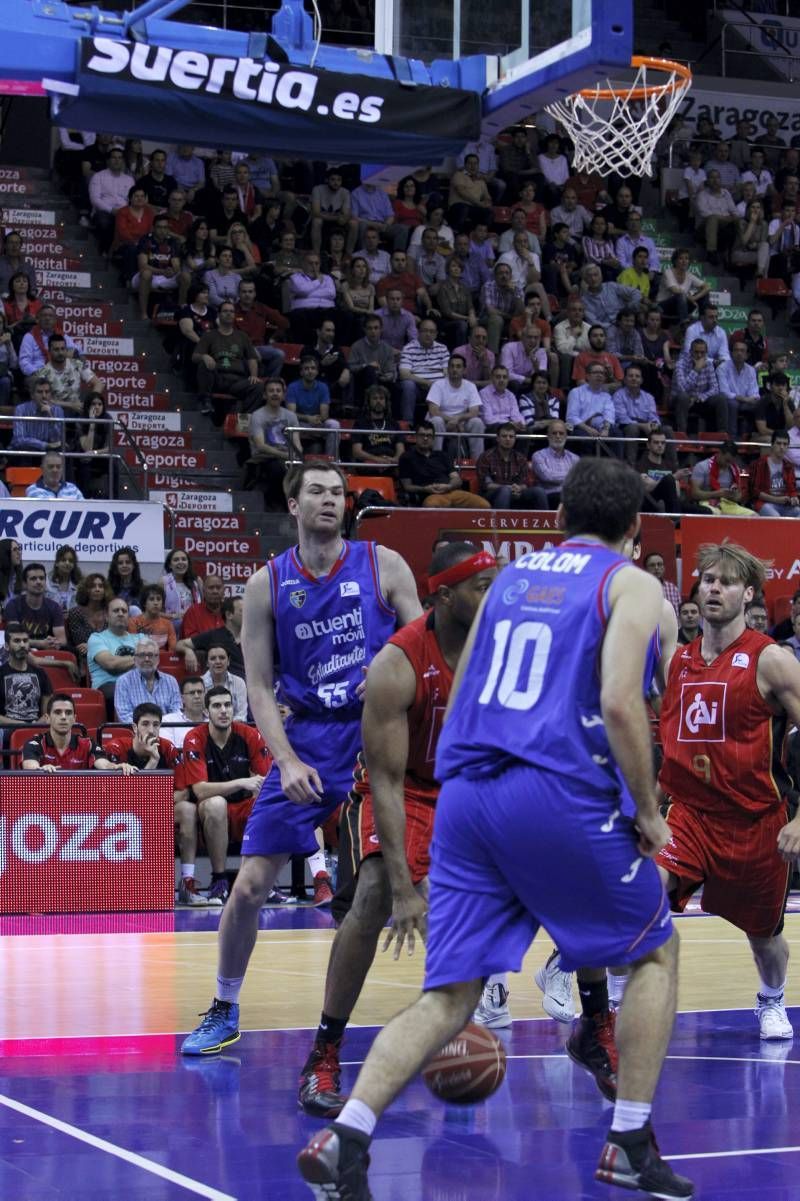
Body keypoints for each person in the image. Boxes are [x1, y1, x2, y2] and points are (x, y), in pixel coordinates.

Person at [297, 457, 690, 1201]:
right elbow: (616, 701)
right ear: (635, 527)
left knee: (449, 995)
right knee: (657, 955)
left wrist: (472, 795)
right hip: (556, 788)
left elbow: (467, 677)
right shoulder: (631, 582)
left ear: (558, 518)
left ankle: (347, 1134)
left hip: (467, 793)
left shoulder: (509, 578)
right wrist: (644, 809)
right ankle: (630, 1139)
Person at [180, 461, 421, 1054]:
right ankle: (224, 1003)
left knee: (423, 877)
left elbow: (427, 646)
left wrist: (392, 668)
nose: (330, 500)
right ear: (293, 505)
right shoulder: (267, 584)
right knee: (250, 886)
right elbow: (258, 687)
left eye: (338, 492)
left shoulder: (383, 565)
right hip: (308, 739)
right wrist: (284, 760)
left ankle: (479, 990)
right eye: (316, 491)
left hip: (378, 735)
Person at [298, 542, 499, 1115]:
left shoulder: (503, 649)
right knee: (375, 895)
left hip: (464, 789)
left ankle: (588, 1017)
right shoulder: (400, 661)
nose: (494, 597)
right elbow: (384, 781)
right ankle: (325, 1050)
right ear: (443, 595)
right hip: (401, 786)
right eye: (481, 586)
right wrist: (407, 887)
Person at [658, 541, 800, 1042]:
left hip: (757, 820)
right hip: (691, 813)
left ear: (749, 594)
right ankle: (607, 1002)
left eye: (727, 582)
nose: (715, 588)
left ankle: (772, 998)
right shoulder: (677, 660)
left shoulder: (773, 661)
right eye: (708, 580)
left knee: (765, 938)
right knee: (641, 894)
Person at [176, 685, 271, 905]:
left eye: (227, 705)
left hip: (244, 806)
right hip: (209, 812)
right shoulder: (194, 738)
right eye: (217, 706)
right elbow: (199, 790)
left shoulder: (249, 734)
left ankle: (264, 881)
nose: (223, 710)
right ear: (207, 711)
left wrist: (251, 785)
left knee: (266, 802)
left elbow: (261, 781)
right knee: (216, 803)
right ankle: (219, 879)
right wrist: (241, 782)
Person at [192, 299, 263, 420]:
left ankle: (245, 418)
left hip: (237, 381)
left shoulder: (242, 336)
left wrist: (254, 375)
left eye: (231, 311)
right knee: (204, 365)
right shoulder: (209, 335)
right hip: (217, 378)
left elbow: (252, 358)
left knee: (258, 386)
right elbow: (194, 357)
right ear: (219, 315)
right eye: (225, 311)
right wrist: (204, 356)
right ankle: (205, 402)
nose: (229, 314)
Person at [399, 420, 490, 509]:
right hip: (431, 495)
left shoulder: (442, 455)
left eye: (429, 436)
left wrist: (449, 486)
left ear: (433, 438)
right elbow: (407, 486)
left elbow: (457, 479)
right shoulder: (407, 457)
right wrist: (425, 489)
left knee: (484, 505)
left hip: (452, 492)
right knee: (432, 505)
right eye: (422, 435)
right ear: (415, 437)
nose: (425, 438)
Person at [21, 694, 114, 772]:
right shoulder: (35, 743)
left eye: (68, 713)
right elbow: (30, 766)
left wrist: (113, 767)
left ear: (74, 719)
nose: (63, 717)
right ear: (47, 718)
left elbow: (103, 764)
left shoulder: (87, 744)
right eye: (58, 712)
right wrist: (40, 770)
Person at [87, 597, 147, 717]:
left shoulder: (141, 638)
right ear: (107, 616)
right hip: (108, 686)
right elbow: (111, 664)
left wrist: (142, 660)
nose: (120, 614)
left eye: (124, 611)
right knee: (122, 692)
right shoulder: (96, 638)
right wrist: (139, 658)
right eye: (116, 611)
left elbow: (151, 662)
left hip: (138, 684)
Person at [0, 624, 50, 752]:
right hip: (7, 728)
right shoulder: (1, 673)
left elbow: (47, 713)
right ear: (6, 646)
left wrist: (41, 721)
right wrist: (24, 725)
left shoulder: (40, 673)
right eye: (17, 641)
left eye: (25, 641)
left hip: (37, 727)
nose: (22, 645)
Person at [425, 353, 484, 462]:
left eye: (458, 366)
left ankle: (477, 463)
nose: (454, 369)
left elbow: (474, 412)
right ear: (448, 369)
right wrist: (453, 421)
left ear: (464, 370)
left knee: (477, 422)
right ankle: (435, 460)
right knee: (436, 421)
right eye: (451, 366)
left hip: (461, 423)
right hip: (443, 422)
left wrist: (459, 419)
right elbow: (433, 411)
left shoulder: (470, 386)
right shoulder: (438, 384)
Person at [476, 424, 548, 509]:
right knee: (505, 491)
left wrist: (519, 488)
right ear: (497, 439)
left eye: (511, 436)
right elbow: (486, 485)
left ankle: (545, 522)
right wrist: (508, 488)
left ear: (515, 439)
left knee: (539, 491)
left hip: (516, 493)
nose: (508, 439)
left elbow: (525, 483)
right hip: (491, 494)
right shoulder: (486, 457)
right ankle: (501, 522)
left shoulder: (520, 458)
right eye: (504, 436)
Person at [113, 637, 182, 724]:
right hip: (136, 734)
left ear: (158, 659)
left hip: (167, 732)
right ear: (134, 660)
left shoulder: (171, 681)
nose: (146, 659)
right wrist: (147, 728)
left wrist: (159, 728)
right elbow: (124, 716)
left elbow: (176, 713)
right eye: (142, 655)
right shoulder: (123, 681)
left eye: (150, 655)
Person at [177, 596, 245, 679]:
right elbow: (180, 644)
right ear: (229, 615)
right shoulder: (214, 635)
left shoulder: (252, 637)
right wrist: (188, 651)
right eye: (243, 611)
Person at [4, 563, 66, 649]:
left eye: (41, 578)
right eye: (33, 579)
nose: (38, 582)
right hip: (22, 651)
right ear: (25, 583)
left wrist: (54, 642)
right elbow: (14, 637)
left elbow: (62, 640)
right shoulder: (13, 605)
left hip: (48, 651)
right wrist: (40, 643)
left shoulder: (54, 607)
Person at [690, 438, 754, 516]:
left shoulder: (734, 468)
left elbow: (738, 496)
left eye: (731, 462)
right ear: (719, 453)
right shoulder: (702, 466)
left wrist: (734, 496)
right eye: (727, 460)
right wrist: (717, 494)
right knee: (716, 513)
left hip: (728, 504)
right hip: (707, 503)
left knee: (753, 516)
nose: (728, 464)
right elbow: (694, 494)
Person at [350, 385, 405, 468]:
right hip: (369, 464)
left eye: (381, 398)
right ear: (369, 402)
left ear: (386, 402)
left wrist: (395, 459)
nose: (378, 401)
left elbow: (401, 450)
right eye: (375, 398)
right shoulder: (360, 424)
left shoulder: (394, 424)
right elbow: (357, 452)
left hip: (391, 464)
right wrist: (378, 460)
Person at [749, 429, 800, 516]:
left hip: (784, 505)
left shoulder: (788, 466)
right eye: (778, 443)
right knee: (775, 517)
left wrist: (794, 498)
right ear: (772, 445)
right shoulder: (760, 464)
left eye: (785, 444)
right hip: (765, 504)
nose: (782, 447)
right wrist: (776, 500)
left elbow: (792, 490)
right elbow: (755, 492)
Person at [530, 419, 580, 507]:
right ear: (548, 436)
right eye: (554, 433)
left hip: (570, 496)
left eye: (561, 433)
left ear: (566, 436)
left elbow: (579, 479)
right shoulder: (538, 455)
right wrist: (572, 476)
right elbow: (547, 477)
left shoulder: (574, 458)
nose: (558, 436)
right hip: (549, 496)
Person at [10, 378, 65, 456]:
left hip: (48, 453)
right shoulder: (21, 409)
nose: (44, 396)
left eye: (47, 392)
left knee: (63, 450)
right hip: (27, 452)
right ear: (32, 395)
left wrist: (51, 418)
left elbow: (57, 441)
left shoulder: (58, 410)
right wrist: (45, 445)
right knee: (23, 449)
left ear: (51, 394)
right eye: (40, 392)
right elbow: (19, 439)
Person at [66, 572, 111, 663]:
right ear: (85, 590)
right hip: (84, 659)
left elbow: (116, 639)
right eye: (93, 586)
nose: (97, 589)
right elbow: (80, 644)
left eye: (101, 586)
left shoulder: (111, 611)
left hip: (110, 656)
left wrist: (91, 646)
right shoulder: (76, 613)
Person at [202, 643, 248, 721]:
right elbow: (201, 716)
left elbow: (241, 716)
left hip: (234, 729)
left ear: (228, 661)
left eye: (222, 658)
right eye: (213, 658)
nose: (218, 661)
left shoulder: (239, 682)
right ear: (207, 663)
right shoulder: (200, 683)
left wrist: (225, 727)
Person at [161, 549, 203, 631]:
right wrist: (174, 616)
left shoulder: (197, 581)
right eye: (176, 560)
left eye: (184, 559)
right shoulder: (164, 582)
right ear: (170, 565)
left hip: (195, 622)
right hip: (173, 624)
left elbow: (204, 605)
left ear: (188, 563)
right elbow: (156, 612)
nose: (181, 562)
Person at [161, 675, 207, 750]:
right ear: (182, 699)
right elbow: (169, 753)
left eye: (200, 692)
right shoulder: (168, 721)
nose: (197, 696)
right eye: (192, 693)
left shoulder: (213, 721)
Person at [128, 584, 177, 650]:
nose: (156, 603)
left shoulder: (168, 624)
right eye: (151, 599)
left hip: (163, 658)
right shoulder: (133, 622)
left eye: (158, 599)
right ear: (144, 603)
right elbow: (133, 648)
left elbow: (173, 649)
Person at [180, 574, 225, 640]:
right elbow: (191, 640)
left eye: (218, 588)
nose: (215, 591)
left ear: (224, 590)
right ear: (203, 591)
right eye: (211, 588)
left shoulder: (230, 611)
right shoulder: (193, 612)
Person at [643, 551, 682, 615]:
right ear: (646, 569)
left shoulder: (672, 588)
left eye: (659, 564)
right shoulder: (640, 588)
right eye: (652, 565)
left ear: (663, 568)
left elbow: (678, 614)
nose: (656, 568)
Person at [46, 546, 82, 615]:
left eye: (71, 561)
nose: (67, 563)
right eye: (63, 560)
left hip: (73, 623)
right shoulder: (46, 582)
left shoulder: (80, 584)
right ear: (56, 563)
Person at [108, 547, 145, 613]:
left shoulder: (143, 587)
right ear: (115, 567)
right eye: (120, 563)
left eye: (128, 562)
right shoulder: (108, 587)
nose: (124, 565)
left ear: (134, 565)